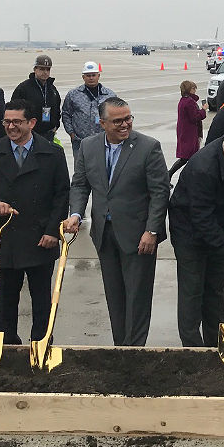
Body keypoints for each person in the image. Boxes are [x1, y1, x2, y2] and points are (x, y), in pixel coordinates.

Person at [64, 97, 169, 347]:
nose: (125, 125)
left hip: (139, 236)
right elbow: (80, 184)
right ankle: (120, 348)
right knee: (115, 296)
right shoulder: (88, 147)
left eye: (128, 119)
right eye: (118, 121)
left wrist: (152, 230)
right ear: (102, 123)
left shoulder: (148, 147)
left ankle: (135, 351)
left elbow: (160, 192)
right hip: (104, 233)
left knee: (137, 297)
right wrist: (76, 214)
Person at [0, 100, 70, 345]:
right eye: (7, 122)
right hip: (5, 238)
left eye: (17, 122)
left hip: (41, 238)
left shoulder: (52, 153)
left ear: (32, 123)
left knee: (41, 299)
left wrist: (53, 231)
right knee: (6, 300)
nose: (11, 127)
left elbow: (61, 195)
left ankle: (41, 342)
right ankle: (8, 344)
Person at [168, 126, 224, 348]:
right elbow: (201, 219)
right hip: (190, 233)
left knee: (215, 290)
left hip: (218, 225)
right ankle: (192, 349)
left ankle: (216, 343)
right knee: (192, 292)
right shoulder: (202, 168)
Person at [61, 61, 115, 161]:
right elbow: (66, 113)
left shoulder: (109, 95)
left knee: (102, 168)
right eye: (88, 75)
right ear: (83, 77)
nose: (91, 78)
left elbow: (116, 116)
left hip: (103, 141)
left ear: (98, 76)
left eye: (93, 75)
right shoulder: (73, 94)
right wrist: (71, 133)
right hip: (80, 141)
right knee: (81, 168)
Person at [11, 55, 62, 140]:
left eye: (48, 69)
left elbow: (57, 108)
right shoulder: (23, 88)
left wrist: (56, 125)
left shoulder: (52, 89)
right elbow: (14, 110)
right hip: (29, 133)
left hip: (49, 133)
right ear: (35, 69)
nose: (45, 72)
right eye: (41, 69)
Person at [171, 80, 206, 176]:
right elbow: (194, 117)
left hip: (185, 131)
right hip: (189, 132)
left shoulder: (184, 100)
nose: (195, 90)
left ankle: (172, 174)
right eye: (193, 88)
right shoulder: (189, 102)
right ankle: (170, 174)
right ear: (189, 90)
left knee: (187, 157)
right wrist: (203, 110)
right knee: (187, 157)